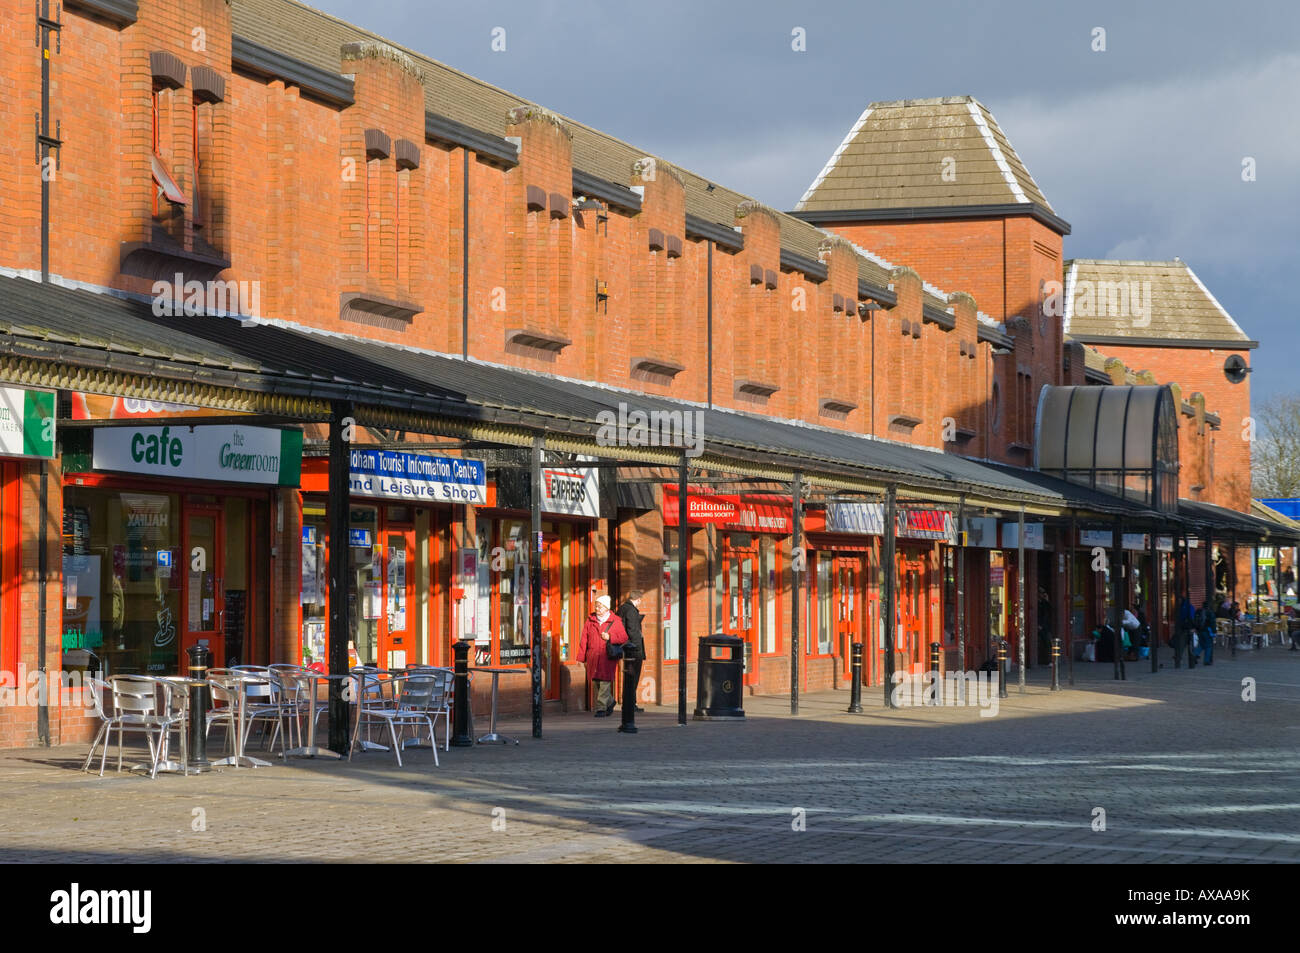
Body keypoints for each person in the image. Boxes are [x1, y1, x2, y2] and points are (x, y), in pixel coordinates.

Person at [577, 594, 627, 716]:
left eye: (600, 606)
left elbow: (624, 637)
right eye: (596, 606)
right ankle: (610, 702)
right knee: (596, 682)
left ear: (606, 607)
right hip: (593, 656)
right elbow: (584, 639)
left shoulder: (615, 621)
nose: (597, 609)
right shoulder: (590, 620)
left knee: (605, 681)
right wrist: (581, 657)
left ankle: (601, 708)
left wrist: (610, 637)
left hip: (607, 657)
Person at [615, 590, 646, 733]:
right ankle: (630, 705)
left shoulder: (621, 608)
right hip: (632, 650)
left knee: (630, 678)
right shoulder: (632, 611)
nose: (640, 602)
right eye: (640, 600)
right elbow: (633, 630)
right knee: (633, 677)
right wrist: (638, 649)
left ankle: (630, 703)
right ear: (638, 599)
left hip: (624, 647)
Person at [1174, 595, 1194, 669]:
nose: (1178, 602)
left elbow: (1190, 617)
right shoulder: (1183, 607)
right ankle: (1181, 657)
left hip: (1185, 628)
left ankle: (1179, 658)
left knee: (1183, 644)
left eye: (1179, 600)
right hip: (1184, 627)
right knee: (1184, 644)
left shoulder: (1185, 607)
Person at [1196, 599, 1215, 666]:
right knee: (1209, 645)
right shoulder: (1210, 612)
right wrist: (1214, 632)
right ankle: (1206, 660)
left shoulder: (1199, 611)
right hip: (1207, 630)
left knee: (1201, 644)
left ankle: (1195, 655)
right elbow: (1212, 623)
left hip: (1199, 630)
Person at [1037, 588, 1053, 666]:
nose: (1042, 594)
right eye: (1041, 593)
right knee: (1040, 643)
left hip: (1045, 626)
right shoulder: (1036, 603)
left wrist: (1047, 600)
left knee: (1048, 643)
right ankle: (1040, 660)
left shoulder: (1044, 603)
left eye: (1043, 593)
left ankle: (1049, 661)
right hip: (1038, 626)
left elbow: (1049, 612)